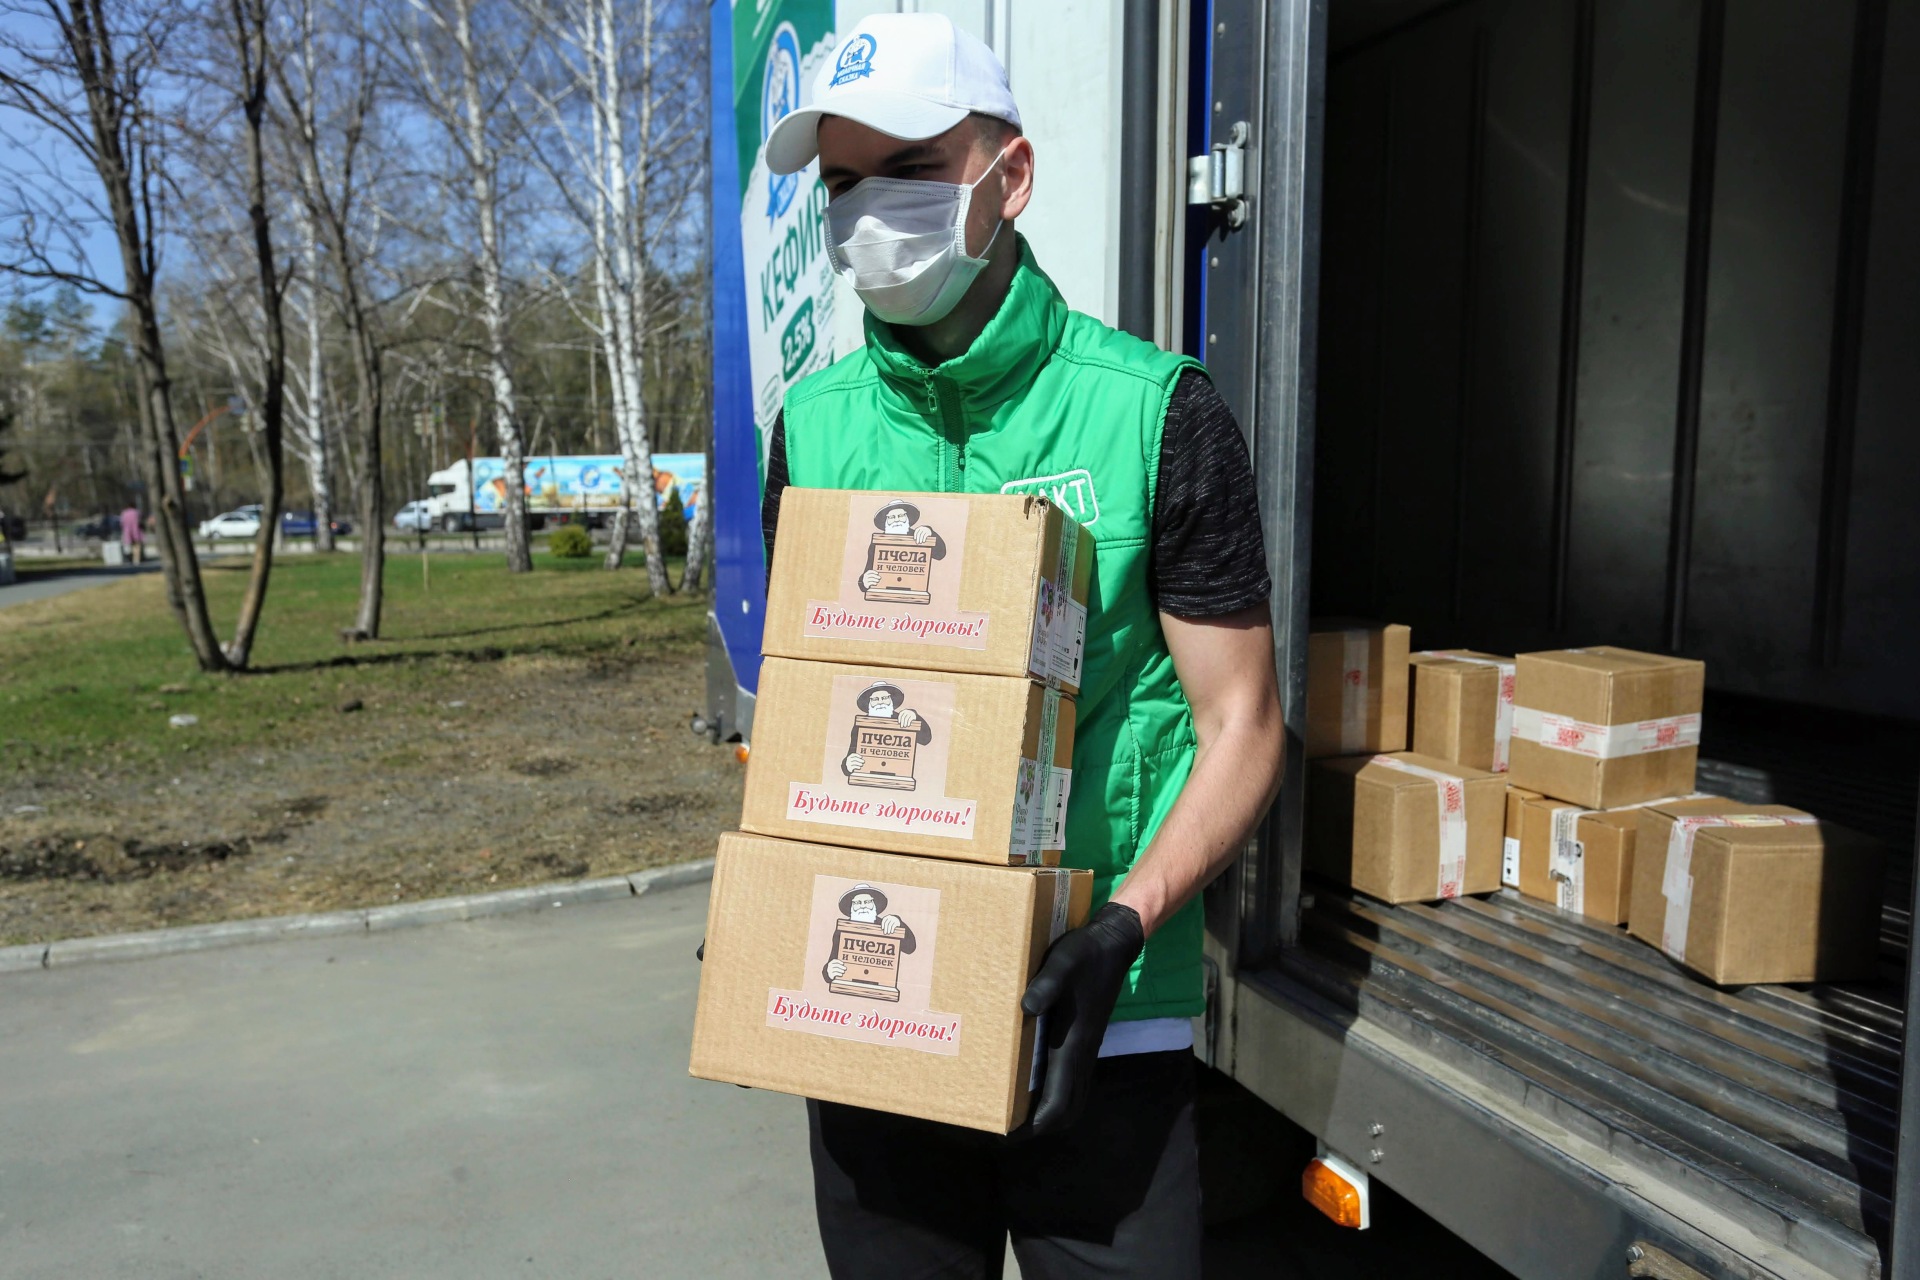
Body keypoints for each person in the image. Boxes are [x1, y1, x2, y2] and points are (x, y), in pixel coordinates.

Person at [758, 14, 1285, 1279]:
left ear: (1013, 176)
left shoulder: (1152, 413)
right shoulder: (812, 430)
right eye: (842, 183)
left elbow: (1243, 724)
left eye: (910, 169)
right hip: (877, 1018)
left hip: (1101, 1022)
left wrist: (1125, 927)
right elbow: (811, 712)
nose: (869, 212)